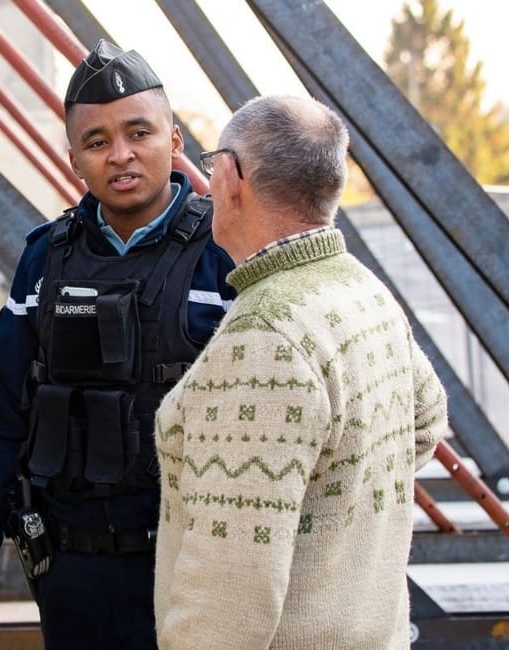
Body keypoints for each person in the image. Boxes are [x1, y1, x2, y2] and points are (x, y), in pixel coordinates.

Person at [0, 40, 237, 650]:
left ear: (176, 139)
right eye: (97, 141)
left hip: (193, 574)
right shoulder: (43, 260)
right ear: (75, 159)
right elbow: (5, 415)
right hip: (70, 573)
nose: (121, 155)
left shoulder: (228, 254)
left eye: (140, 133)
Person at [152, 95, 449, 649]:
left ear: (229, 176)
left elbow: (228, 590)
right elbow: (426, 422)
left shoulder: (265, 337)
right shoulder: (362, 290)